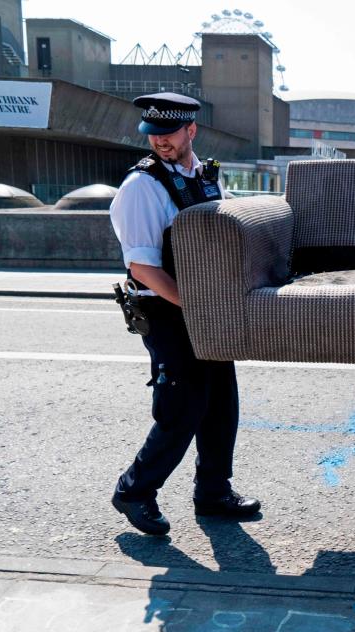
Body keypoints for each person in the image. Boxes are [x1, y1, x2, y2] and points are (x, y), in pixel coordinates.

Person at [109, 92, 260, 536]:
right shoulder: (142, 187)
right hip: (168, 311)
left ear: (191, 130)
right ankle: (134, 491)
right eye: (152, 134)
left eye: (168, 133)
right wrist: (195, 306)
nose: (159, 142)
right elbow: (142, 267)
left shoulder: (206, 176)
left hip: (206, 309)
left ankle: (213, 492)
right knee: (182, 407)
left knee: (220, 406)